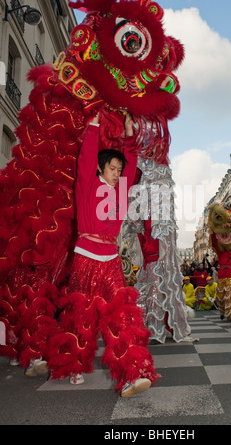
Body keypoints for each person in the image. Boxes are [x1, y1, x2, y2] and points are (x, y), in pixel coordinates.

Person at [46, 112, 159, 397]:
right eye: (112, 168)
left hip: (110, 259)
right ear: (100, 170)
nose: (118, 172)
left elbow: (132, 166)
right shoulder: (87, 184)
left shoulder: (121, 191)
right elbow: (85, 159)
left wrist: (130, 134)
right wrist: (94, 125)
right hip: (85, 255)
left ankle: (132, 374)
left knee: (122, 316)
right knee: (80, 316)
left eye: (119, 169)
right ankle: (72, 366)